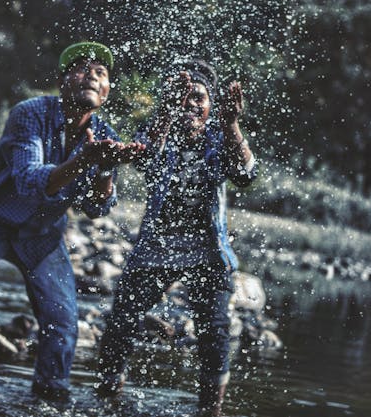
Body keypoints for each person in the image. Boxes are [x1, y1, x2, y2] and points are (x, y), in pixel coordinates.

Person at [0, 42, 145, 401]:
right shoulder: (29, 113)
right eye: (82, 69)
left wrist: (106, 167)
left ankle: (50, 395)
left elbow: (98, 208)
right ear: (62, 80)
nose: (92, 77)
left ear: (108, 91)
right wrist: (85, 160)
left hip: (40, 234)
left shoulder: (105, 134)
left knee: (63, 320)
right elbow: (29, 179)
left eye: (101, 73)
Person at [97, 59, 258, 417]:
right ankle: (107, 398)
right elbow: (142, 158)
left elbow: (246, 174)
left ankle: (210, 413)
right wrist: (165, 114)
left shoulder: (219, 136)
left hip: (209, 252)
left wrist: (232, 123)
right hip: (156, 249)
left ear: (211, 105)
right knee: (120, 322)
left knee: (214, 333)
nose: (190, 104)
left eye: (198, 97)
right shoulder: (159, 130)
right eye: (181, 97)